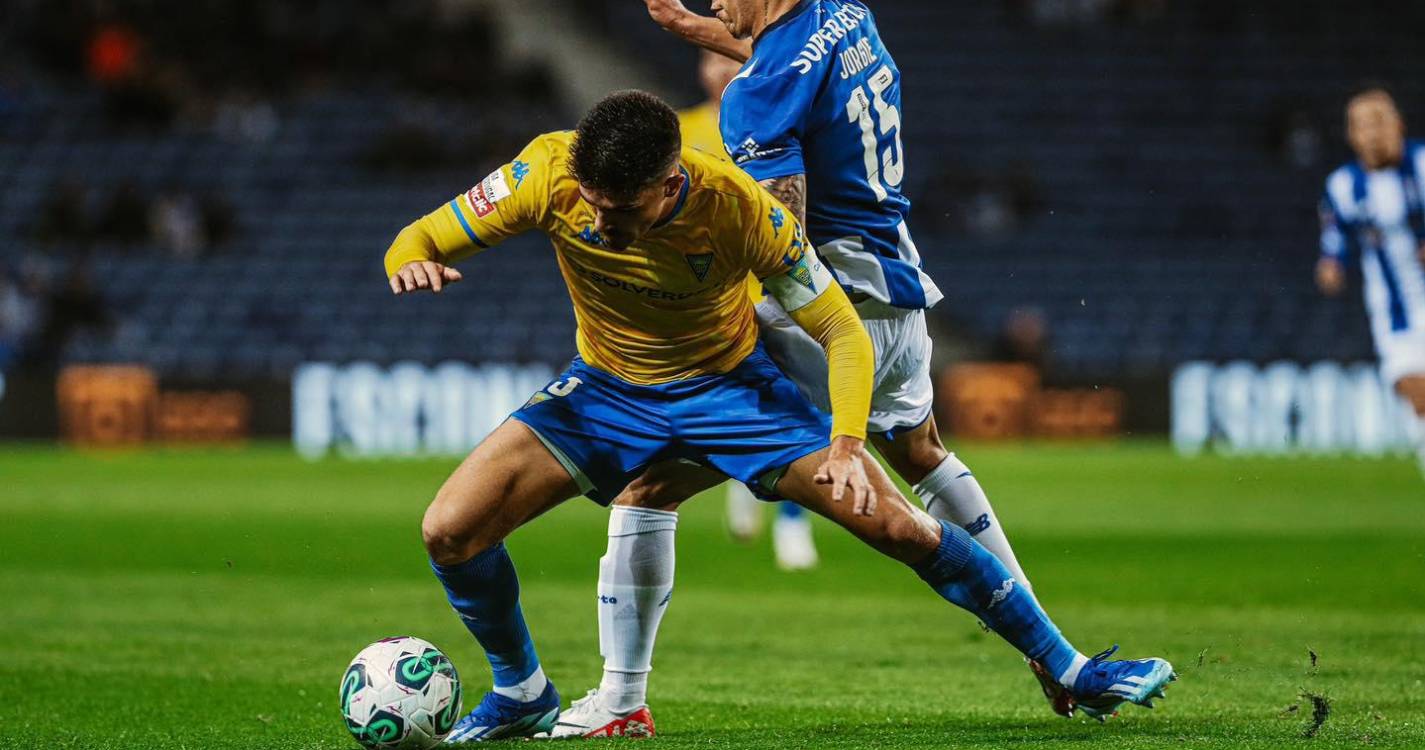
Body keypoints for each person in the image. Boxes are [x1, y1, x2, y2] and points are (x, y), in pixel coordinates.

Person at [385, 90, 1173, 742]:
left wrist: (844, 440)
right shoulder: (545, 172)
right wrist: (410, 260)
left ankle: (1070, 668)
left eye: (618, 211)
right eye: (590, 204)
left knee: (895, 525)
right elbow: (416, 235)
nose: (597, 223)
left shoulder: (736, 208)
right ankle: (523, 690)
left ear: (667, 185)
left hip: (732, 393)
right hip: (607, 390)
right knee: (449, 528)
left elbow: (840, 331)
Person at [552, 0, 1106, 737]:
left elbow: (785, 240)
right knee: (922, 452)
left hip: (831, 314)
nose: (714, 4)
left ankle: (620, 701)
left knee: (647, 489)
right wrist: (696, 31)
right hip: (900, 292)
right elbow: (785, 57)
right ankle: (1037, 632)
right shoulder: (845, 15)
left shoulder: (754, 96)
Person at [678, 47, 821, 568]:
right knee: (730, 402)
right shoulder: (677, 129)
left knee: (799, 400)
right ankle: (746, 477)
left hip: (767, 286)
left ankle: (791, 520)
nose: (720, 71)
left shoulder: (771, 126)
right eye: (710, 61)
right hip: (707, 295)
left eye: (730, 62)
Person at [1317, 86, 1425, 477]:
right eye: (1363, 125)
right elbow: (1334, 237)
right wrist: (1331, 264)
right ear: (1352, 136)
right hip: (1394, 310)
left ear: (1399, 125)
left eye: (1380, 122)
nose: (1374, 133)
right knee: (1416, 392)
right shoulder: (1343, 187)